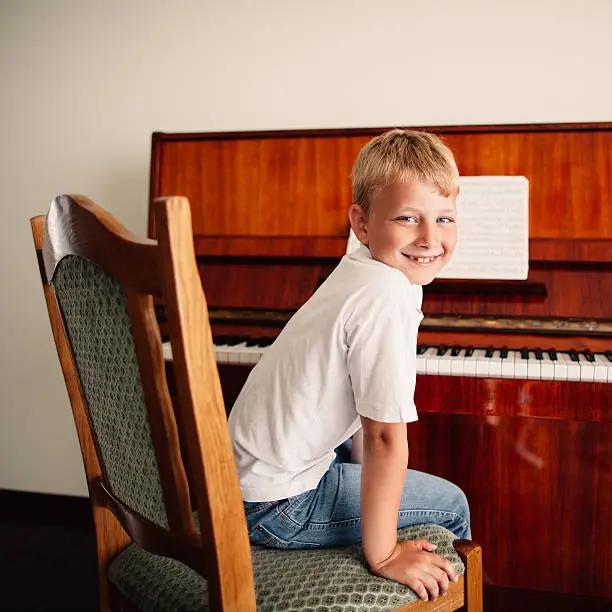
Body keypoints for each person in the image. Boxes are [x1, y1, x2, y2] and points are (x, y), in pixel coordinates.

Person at [228, 129, 470, 602]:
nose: (429, 238)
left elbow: (361, 416)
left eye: (444, 218)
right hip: (277, 504)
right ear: (360, 224)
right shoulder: (386, 294)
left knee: (368, 466)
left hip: (248, 476)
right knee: (453, 503)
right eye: (407, 218)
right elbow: (383, 435)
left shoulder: (360, 263)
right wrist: (383, 554)